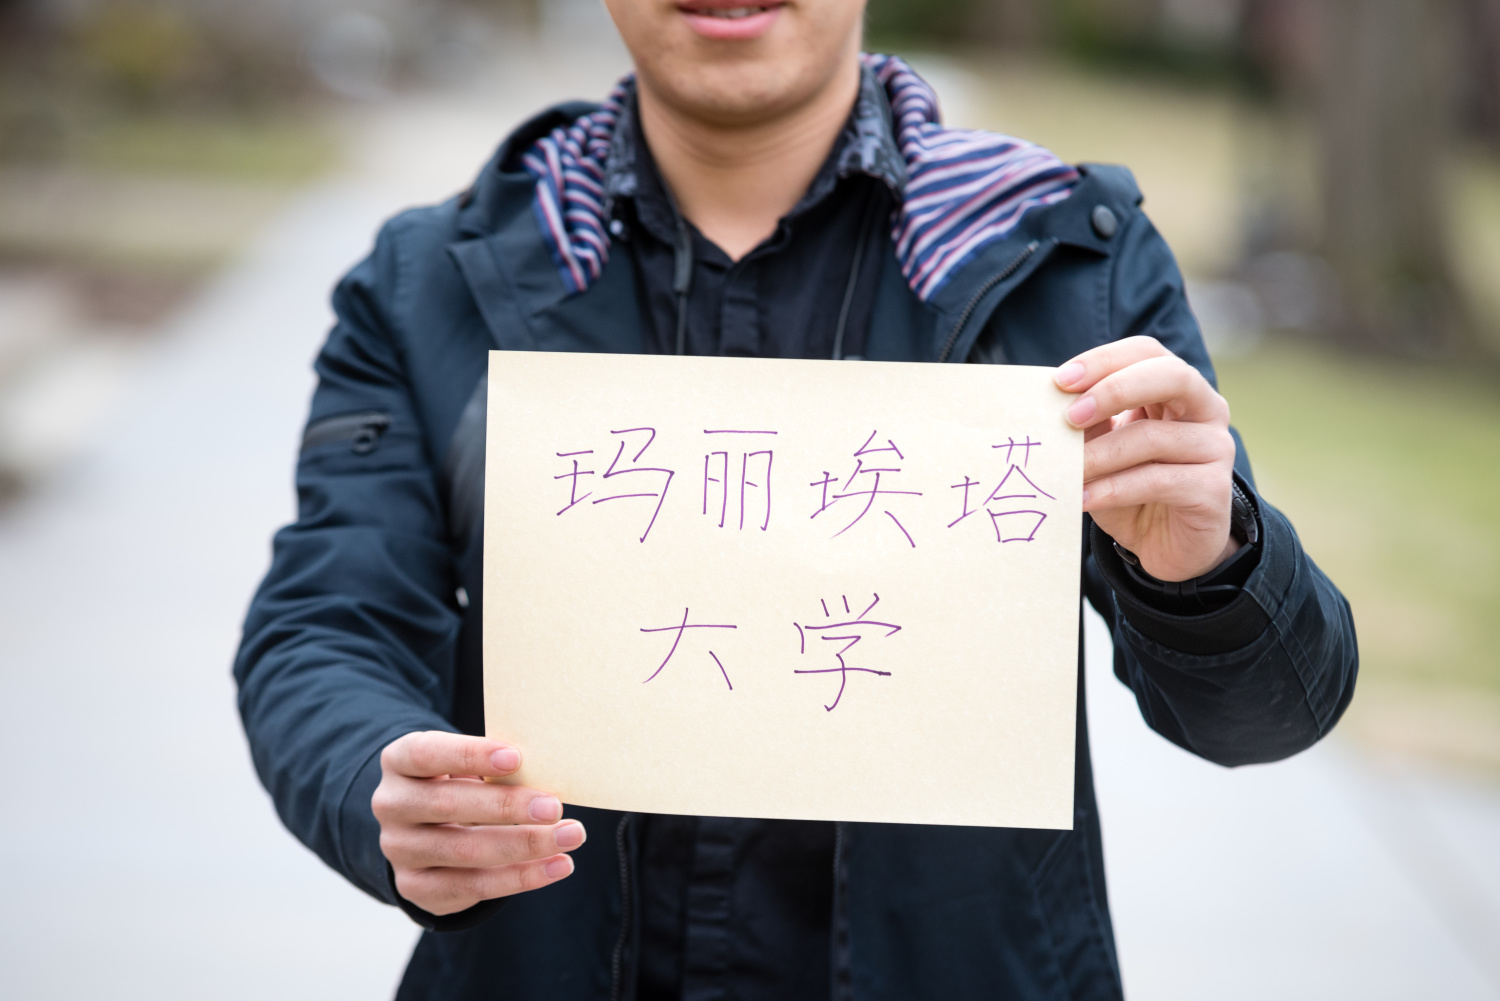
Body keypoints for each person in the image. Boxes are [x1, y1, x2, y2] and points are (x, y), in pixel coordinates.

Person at [235, 1, 1358, 998]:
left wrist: (1208, 570)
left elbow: (1263, 715)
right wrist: (373, 775)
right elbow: (324, 625)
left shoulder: (1065, 262)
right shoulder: (435, 276)